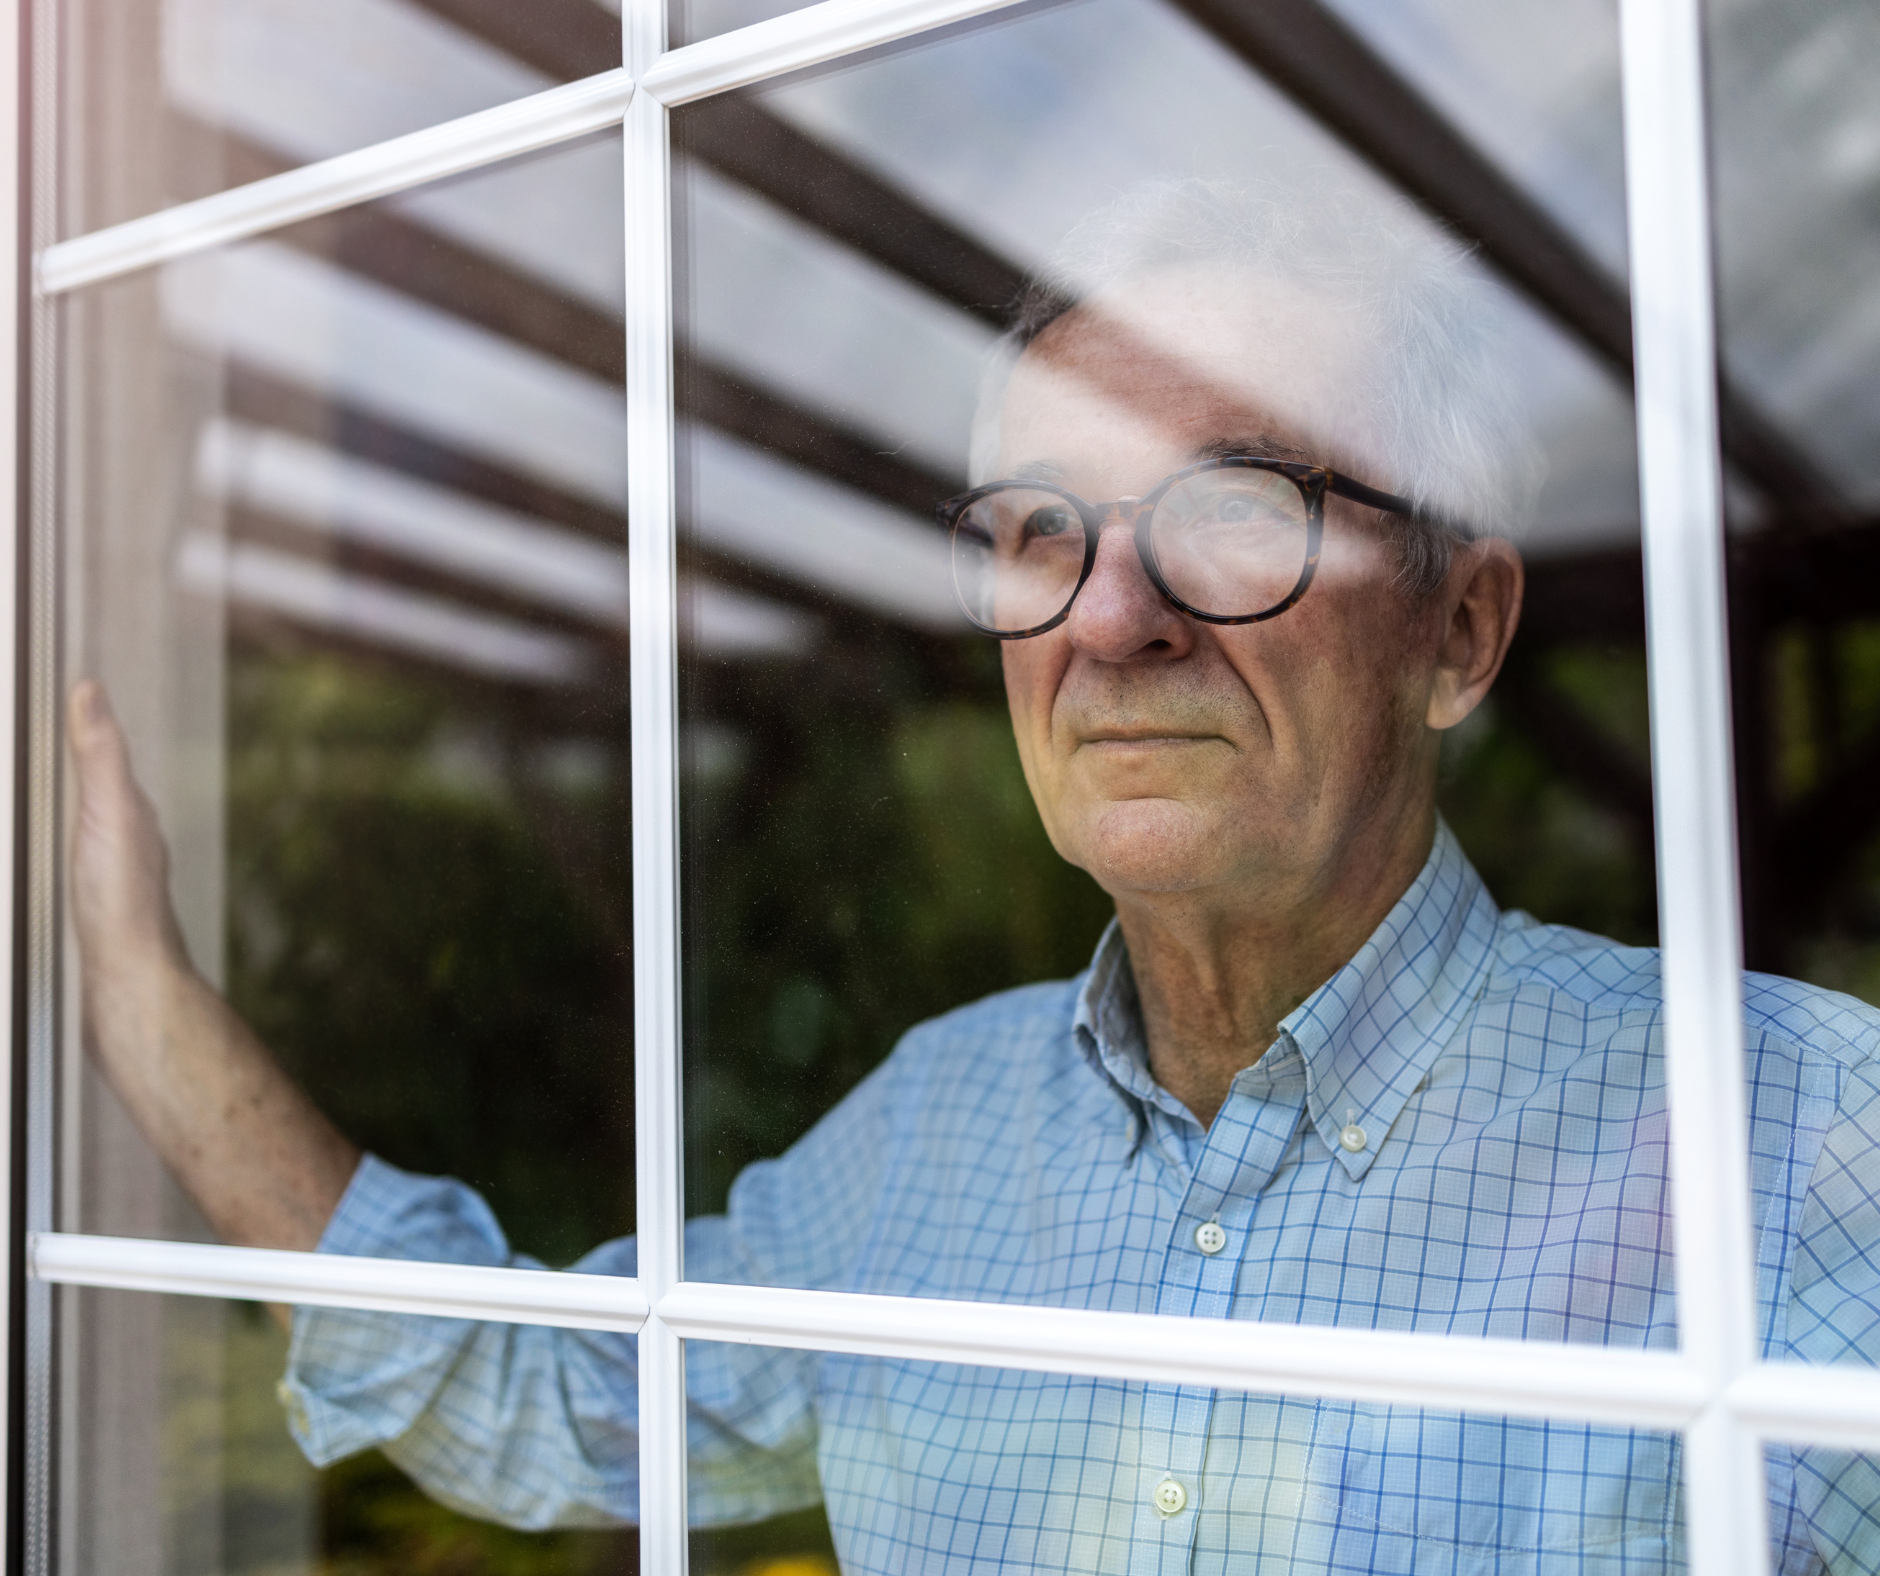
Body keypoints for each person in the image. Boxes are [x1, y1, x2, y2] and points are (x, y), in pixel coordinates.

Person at [69, 180, 1880, 1573]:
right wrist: (139, 990)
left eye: (1237, 502)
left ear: (1460, 631)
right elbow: (554, 1405)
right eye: (1038, 534)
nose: (1107, 616)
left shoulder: (1806, 1146)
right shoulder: (927, 1132)